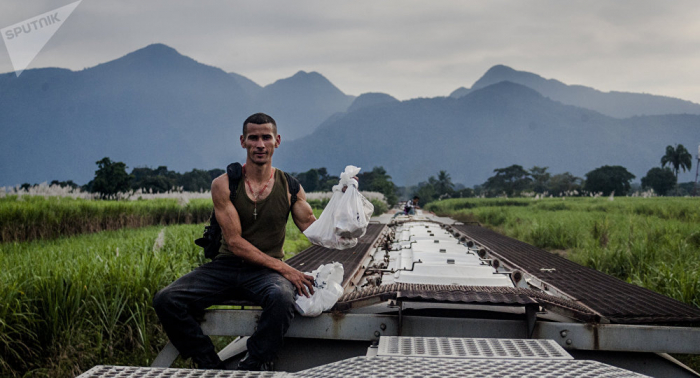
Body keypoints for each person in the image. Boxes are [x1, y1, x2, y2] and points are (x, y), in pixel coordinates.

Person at [153, 113, 318, 371]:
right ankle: (209, 365)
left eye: (266, 137)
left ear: (277, 141)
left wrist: (345, 202)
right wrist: (287, 269)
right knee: (166, 299)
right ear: (243, 142)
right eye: (253, 138)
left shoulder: (290, 187)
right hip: (227, 266)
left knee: (282, 299)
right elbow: (235, 242)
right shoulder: (224, 184)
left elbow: (314, 228)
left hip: (265, 272)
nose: (260, 144)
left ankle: (253, 365)